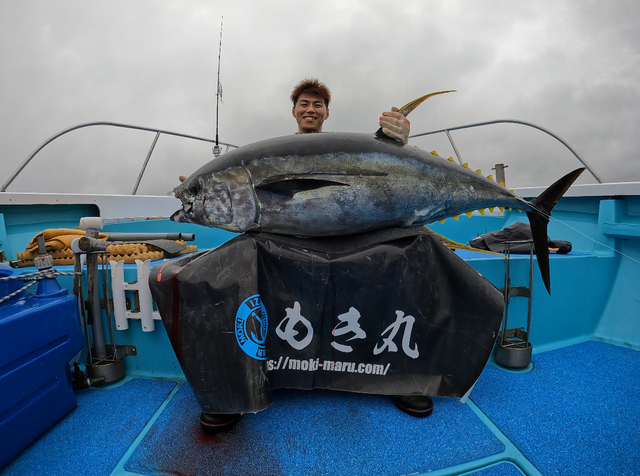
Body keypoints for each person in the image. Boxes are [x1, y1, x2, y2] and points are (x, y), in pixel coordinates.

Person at [290, 78, 410, 143]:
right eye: (304, 104)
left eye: (317, 105)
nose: (310, 110)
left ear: (327, 114)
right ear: (294, 111)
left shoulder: (339, 145)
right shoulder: (277, 153)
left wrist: (396, 144)